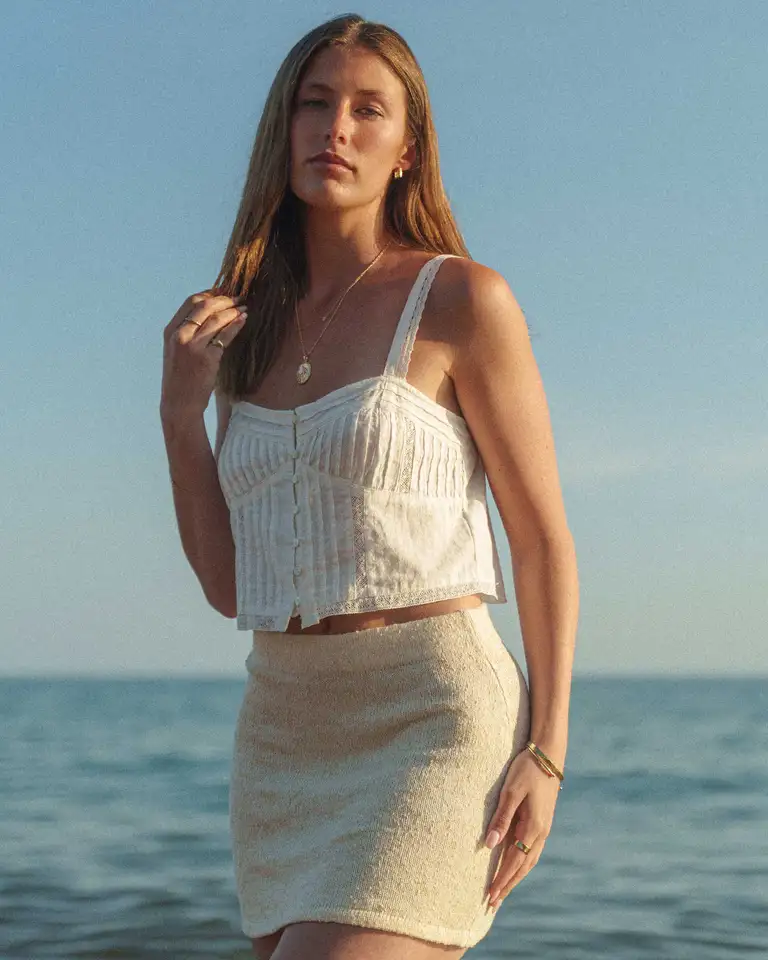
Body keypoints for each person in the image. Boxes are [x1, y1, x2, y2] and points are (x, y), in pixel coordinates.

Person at [160, 13, 578, 960]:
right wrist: (179, 418)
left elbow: (543, 541)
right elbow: (232, 585)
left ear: (406, 149)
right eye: (315, 103)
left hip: (431, 716)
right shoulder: (242, 334)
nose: (335, 128)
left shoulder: (464, 300)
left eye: (365, 109)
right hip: (281, 730)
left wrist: (546, 749)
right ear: (284, 126)